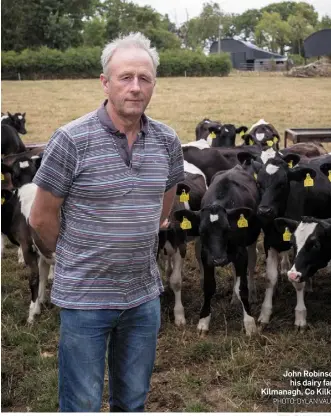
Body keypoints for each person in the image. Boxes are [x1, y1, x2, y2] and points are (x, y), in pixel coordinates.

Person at [29, 32, 185, 412]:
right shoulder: (71, 140)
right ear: (105, 82)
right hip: (85, 300)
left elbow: (164, 209)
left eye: (144, 78)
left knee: (132, 400)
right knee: (82, 403)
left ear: (154, 84)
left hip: (143, 297)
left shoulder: (167, 141)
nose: (135, 87)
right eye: (125, 77)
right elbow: (40, 217)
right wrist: (69, 258)